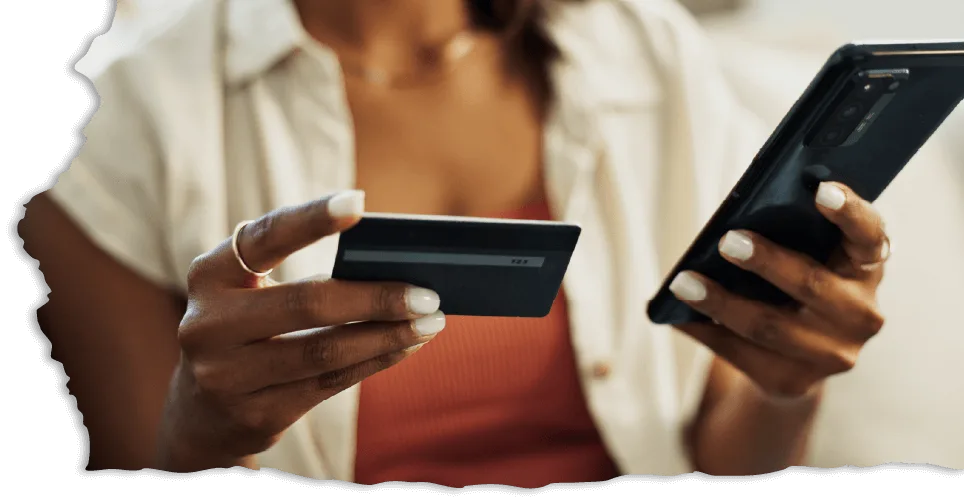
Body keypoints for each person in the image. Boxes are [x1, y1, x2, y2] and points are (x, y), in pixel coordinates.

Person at [20, 0, 893, 485]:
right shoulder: (114, 126)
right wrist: (205, 435)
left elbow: (721, 459)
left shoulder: (649, 51)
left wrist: (787, 389)